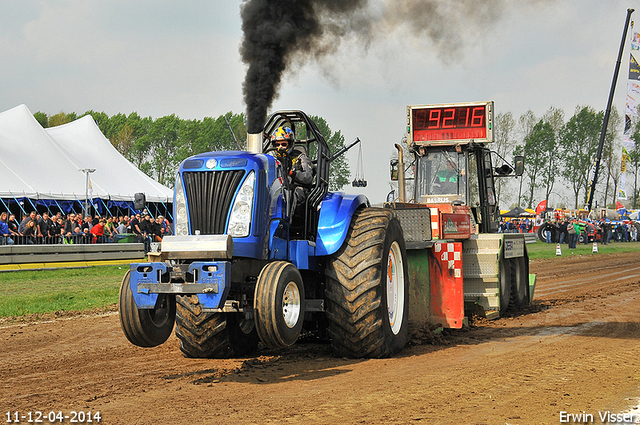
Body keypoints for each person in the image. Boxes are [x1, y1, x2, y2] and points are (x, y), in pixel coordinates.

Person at [270, 124, 314, 221]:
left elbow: (308, 178)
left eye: (283, 144)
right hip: (279, 189)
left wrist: (292, 173)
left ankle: (287, 223)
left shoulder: (301, 158)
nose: (280, 147)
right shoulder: (272, 161)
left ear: (290, 144)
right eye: (277, 145)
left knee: (290, 193)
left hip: (299, 191)